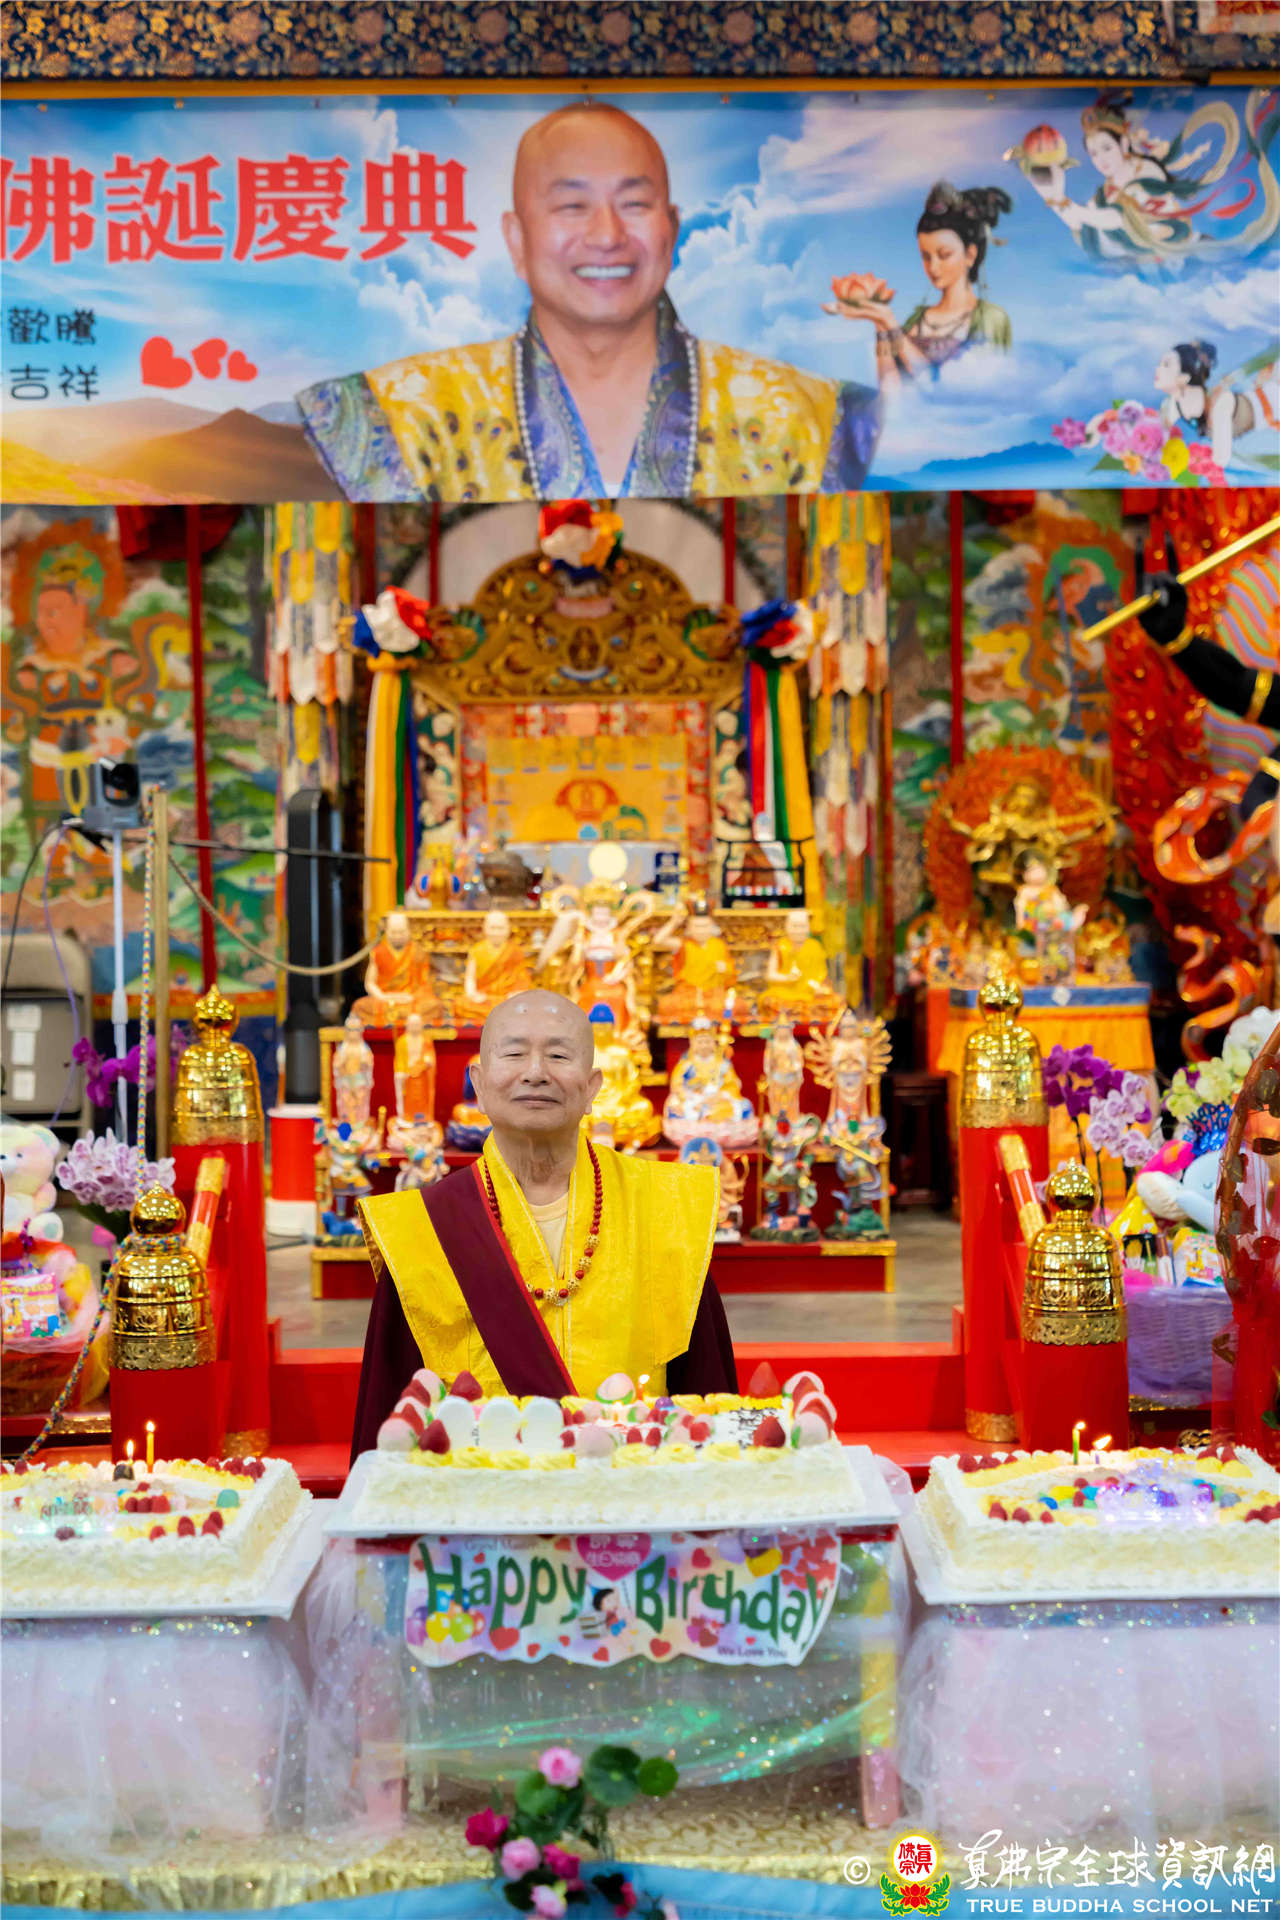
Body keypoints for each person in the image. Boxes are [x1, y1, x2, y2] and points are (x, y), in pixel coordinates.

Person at [297, 102, 880, 502]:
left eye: (634, 204)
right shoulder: (406, 415)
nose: (606, 235)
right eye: (572, 206)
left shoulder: (806, 418)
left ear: (672, 229)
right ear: (517, 240)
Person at [350, 989, 735, 1456]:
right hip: (477, 1490)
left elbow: (708, 1402)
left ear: (593, 1087)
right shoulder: (420, 1227)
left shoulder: (665, 1206)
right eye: (514, 1054)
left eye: (558, 1055)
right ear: (479, 1084)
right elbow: (390, 1425)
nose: (535, 1072)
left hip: (635, 1483)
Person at [826, 180, 1012, 388]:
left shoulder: (991, 318)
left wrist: (889, 321)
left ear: (970, 255)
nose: (933, 267)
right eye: (926, 257)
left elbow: (954, 389)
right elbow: (892, 390)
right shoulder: (917, 319)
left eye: (944, 255)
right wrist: (879, 323)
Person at [1154, 340, 1280, 475]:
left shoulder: (1220, 404)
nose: (1157, 369)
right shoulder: (1173, 407)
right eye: (1160, 364)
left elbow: (1220, 460)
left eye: (1166, 364)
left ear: (1184, 377)